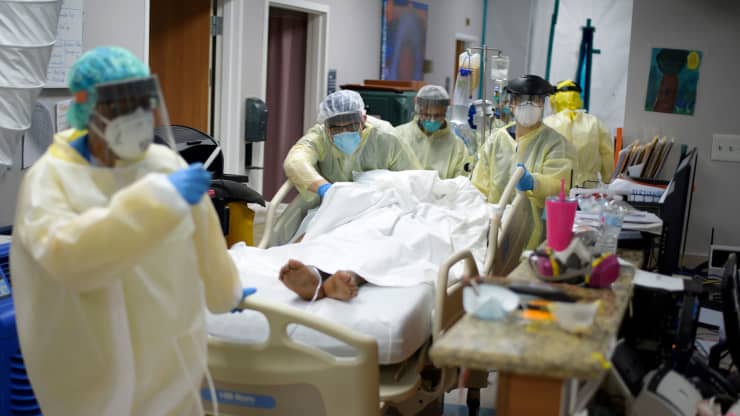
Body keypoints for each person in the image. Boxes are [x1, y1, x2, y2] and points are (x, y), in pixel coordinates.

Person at [10, 46, 253, 415]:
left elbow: (202, 236)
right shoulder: (50, 180)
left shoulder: (162, 164)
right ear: (85, 108)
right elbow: (68, 257)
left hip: (169, 363)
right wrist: (155, 201)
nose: (135, 117)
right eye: (119, 107)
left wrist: (226, 292)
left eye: (141, 105)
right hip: (86, 368)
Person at [276, 90, 421, 244]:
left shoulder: (386, 138)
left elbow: (415, 179)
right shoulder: (320, 137)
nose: (344, 132)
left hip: (378, 209)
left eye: (351, 125)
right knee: (311, 238)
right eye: (336, 128)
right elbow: (295, 162)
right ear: (325, 126)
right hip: (334, 206)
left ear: (363, 119)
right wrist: (326, 189)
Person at [471, 74, 574, 250]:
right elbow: (478, 187)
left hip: (531, 232)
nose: (529, 105)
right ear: (512, 104)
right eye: (522, 100)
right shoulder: (496, 139)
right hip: (492, 227)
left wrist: (534, 182)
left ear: (543, 105)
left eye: (536, 100)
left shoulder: (555, 142)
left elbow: (560, 186)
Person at [544, 80, 614, 187]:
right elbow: (607, 154)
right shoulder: (595, 123)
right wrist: (608, 179)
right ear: (577, 98)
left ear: (555, 99)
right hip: (587, 187)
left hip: (555, 186)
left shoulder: (547, 124)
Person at [394, 85, 469, 179]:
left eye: (437, 116)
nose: (432, 120)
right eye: (426, 115)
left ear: (446, 112)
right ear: (418, 110)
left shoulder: (457, 146)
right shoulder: (399, 136)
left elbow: (460, 183)